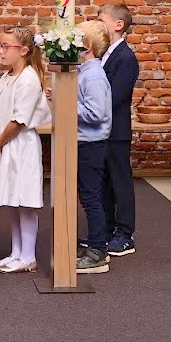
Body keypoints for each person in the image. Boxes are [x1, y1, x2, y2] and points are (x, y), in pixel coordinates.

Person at [0, 27, 52, 274]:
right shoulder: (7, 77)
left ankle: (28, 255)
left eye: (6, 47)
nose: (1, 51)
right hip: (7, 143)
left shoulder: (28, 79)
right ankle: (16, 253)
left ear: (24, 51)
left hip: (21, 144)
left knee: (25, 201)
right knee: (12, 200)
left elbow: (19, 120)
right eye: (0, 45)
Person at [98, 4, 140, 256]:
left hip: (117, 131)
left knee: (120, 182)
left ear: (118, 25)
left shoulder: (126, 58)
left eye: (101, 20)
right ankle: (105, 229)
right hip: (102, 130)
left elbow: (114, 97)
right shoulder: (103, 54)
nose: (97, 25)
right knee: (104, 182)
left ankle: (125, 234)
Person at [73, 20, 114, 274]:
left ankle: (98, 250)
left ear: (87, 46)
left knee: (91, 197)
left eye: (77, 40)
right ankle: (94, 241)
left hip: (92, 144)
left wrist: (67, 102)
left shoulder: (94, 76)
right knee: (87, 195)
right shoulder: (84, 72)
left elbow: (96, 114)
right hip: (83, 141)